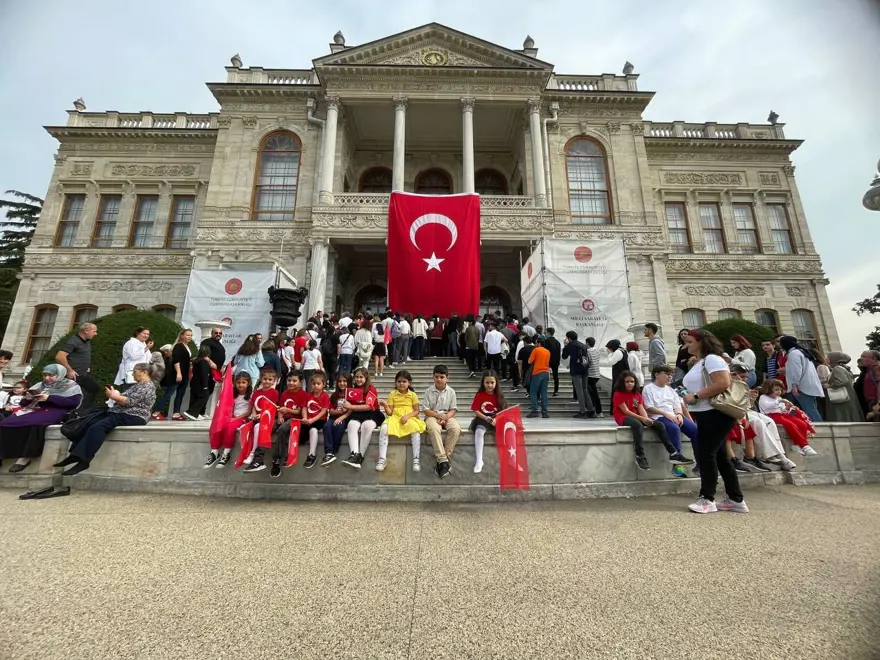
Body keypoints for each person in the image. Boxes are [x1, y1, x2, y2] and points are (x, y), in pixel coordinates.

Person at [680, 329, 747, 514]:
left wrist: (695, 395)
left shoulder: (712, 359)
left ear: (702, 341)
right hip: (706, 413)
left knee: (706, 454)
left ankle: (707, 498)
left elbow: (723, 383)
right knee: (719, 456)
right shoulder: (702, 362)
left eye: (690, 341)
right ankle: (736, 499)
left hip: (715, 413)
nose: (687, 345)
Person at [54, 363, 156, 476]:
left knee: (98, 427)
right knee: (89, 422)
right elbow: (125, 399)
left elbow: (129, 402)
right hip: (122, 413)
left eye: (135, 371)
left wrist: (113, 396)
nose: (133, 374)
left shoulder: (146, 386)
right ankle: (75, 455)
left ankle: (84, 460)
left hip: (135, 415)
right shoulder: (138, 385)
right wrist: (115, 394)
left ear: (144, 372)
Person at [0, 364, 83, 472]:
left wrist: (49, 398)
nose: (47, 378)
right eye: (44, 375)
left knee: (36, 423)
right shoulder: (40, 385)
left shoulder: (71, 386)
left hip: (57, 410)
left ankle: (25, 457)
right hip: (35, 409)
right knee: (6, 423)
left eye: (51, 375)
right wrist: (28, 398)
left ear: (59, 374)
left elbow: (73, 403)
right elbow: (23, 403)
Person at [729, 365, 796, 470]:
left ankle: (780, 455)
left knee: (769, 421)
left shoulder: (741, 385)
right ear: (732, 375)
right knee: (757, 422)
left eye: (745, 377)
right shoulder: (727, 384)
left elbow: (747, 405)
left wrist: (750, 399)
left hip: (744, 410)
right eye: (742, 377)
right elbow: (730, 404)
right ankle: (771, 456)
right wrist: (746, 397)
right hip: (735, 412)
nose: (744, 379)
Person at [612, 370, 679, 472]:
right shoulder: (618, 394)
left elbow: (641, 408)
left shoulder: (637, 394)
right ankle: (640, 455)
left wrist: (647, 419)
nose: (630, 384)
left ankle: (674, 453)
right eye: (627, 382)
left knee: (659, 425)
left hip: (637, 416)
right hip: (623, 417)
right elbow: (626, 411)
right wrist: (643, 419)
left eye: (632, 381)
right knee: (637, 425)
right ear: (622, 382)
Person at [641, 364, 697, 465]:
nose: (670, 377)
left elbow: (677, 405)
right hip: (659, 416)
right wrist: (667, 414)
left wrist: (679, 414)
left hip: (674, 416)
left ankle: (699, 458)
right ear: (657, 375)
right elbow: (649, 407)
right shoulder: (648, 388)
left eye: (671, 374)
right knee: (674, 428)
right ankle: (676, 456)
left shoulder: (671, 390)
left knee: (695, 430)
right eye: (667, 374)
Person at [374, 370, 426, 472]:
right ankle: (382, 459)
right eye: (399, 381)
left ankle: (416, 459)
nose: (401, 384)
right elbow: (389, 413)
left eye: (404, 381)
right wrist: (385, 406)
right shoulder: (392, 394)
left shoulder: (412, 395)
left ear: (409, 383)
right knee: (384, 428)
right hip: (395, 417)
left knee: (415, 430)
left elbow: (416, 411)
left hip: (409, 417)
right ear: (395, 382)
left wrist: (407, 416)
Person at [203, 372, 253, 469]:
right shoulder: (233, 394)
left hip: (243, 418)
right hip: (233, 416)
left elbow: (248, 412)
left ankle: (226, 453)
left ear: (248, 383)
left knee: (230, 427)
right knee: (218, 425)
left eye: (243, 382)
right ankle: (214, 452)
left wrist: (235, 418)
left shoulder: (251, 395)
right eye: (238, 382)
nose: (241, 385)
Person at [758, 378, 818, 456]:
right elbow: (767, 406)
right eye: (776, 390)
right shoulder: (763, 397)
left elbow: (782, 409)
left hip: (781, 415)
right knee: (790, 425)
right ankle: (804, 445)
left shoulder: (779, 398)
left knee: (802, 424)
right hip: (770, 416)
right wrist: (780, 401)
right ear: (768, 389)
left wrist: (787, 408)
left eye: (780, 390)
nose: (779, 392)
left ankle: (797, 444)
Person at [340, 367, 385, 469]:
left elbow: (369, 406)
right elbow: (349, 405)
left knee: (367, 425)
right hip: (357, 414)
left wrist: (350, 406)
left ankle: (360, 456)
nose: (358, 379)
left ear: (366, 378)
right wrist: (345, 407)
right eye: (356, 377)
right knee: (352, 424)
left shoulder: (371, 389)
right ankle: (354, 454)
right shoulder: (352, 389)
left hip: (372, 413)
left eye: (361, 377)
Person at [267, 371, 310, 477]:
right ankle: (257, 457)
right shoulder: (284, 394)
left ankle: (276, 460)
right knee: (266, 427)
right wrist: (280, 417)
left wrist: (288, 410)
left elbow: (299, 412)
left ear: (300, 383)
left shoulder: (303, 394)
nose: (291, 383)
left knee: (282, 429)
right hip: (284, 418)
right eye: (289, 380)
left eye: (294, 381)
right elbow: (280, 409)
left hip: (295, 419)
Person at [423, 364, 460, 479]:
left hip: (447, 416)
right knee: (433, 429)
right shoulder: (428, 391)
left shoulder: (451, 392)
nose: (439, 379)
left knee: (455, 429)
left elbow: (453, 409)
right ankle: (444, 460)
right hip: (432, 415)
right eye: (437, 376)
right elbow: (426, 410)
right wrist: (437, 415)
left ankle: (443, 459)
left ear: (447, 378)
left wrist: (445, 417)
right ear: (433, 377)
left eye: (442, 377)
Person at [243, 369, 282, 472]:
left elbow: (272, 407)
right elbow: (255, 405)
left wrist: (262, 415)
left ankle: (253, 454)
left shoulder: (274, 392)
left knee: (257, 427)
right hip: (257, 418)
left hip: (269, 419)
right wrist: (255, 414)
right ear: (261, 379)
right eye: (265, 379)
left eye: (270, 380)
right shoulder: (257, 393)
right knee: (244, 428)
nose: (267, 381)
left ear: (274, 381)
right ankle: (245, 454)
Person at [778, 335, 823, 422]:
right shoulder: (801, 352)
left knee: (810, 410)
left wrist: (794, 384)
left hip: (802, 386)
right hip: (810, 385)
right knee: (811, 408)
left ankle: (820, 429)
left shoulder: (793, 354)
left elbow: (796, 370)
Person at [55, 322, 99, 411]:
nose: (95, 334)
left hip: (82, 374)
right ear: (86, 331)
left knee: (87, 391)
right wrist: (69, 370)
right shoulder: (73, 341)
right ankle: (78, 412)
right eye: (94, 331)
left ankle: (81, 412)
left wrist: (87, 366)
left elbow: (82, 356)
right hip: (74, 376)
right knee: (93, 387)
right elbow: (59, 357)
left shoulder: (86, 342)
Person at [470, 370, 506, 474]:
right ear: (483, 383)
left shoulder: (499, 396)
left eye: (492, 383)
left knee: (507, 430)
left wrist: (496, 419)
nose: (489, 385)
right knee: (479, 432)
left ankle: (510, 458)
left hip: (496, 418)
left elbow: (503, 412)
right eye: (487, 383)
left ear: (496, 383)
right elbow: (476, 410)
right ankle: (479, 460)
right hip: (483, 418)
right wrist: (486, 418)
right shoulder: (480, 395)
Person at [300, 372, 330, 469]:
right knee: (301, 435)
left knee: (313, 429)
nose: (316, 386)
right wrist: (304, 417)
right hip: (308, 420)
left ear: (323, 384)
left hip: (320, 420)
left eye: (318, 384)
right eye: (314, 384)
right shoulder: (308, 395)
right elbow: (304, 408)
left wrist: (312, 420)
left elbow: (323, 411)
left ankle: (312, 455)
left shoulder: (325, 396)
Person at [824, 352, 865, 422]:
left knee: (843, 415)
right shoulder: (842, 368)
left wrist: (829, 385)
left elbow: (842, 381)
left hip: (842, 398)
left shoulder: (837, 368)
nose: (825, 359)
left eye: (827, 357)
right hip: (847, 396)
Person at [322, 373, 352, 466]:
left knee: (338, 426)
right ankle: (329, 452)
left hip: (346, 417)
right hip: (334, 416)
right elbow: (330, 410)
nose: (342, 383)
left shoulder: (352, 393)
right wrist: (338, 412)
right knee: (326, 426)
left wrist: (342, 416)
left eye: (344, 381)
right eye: (339, 381)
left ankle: (334, 451)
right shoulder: (335, 395)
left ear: (349, 382)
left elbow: (352, 409)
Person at [562, 331, 594, 419]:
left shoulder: (570, 345)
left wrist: (565, 345)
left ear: (569, 338)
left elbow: (564, 356)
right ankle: (591, 410)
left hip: (576, 370)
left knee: (579, 392)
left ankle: (582, 412)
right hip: (585, 370)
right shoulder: (582, 345)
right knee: (585, 390)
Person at [114, 326, 152, 391]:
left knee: (136, 396)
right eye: (144, 333)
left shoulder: (144, 344)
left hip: (141, 374)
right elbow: (133, 356)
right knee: (130, 395)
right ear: (137, 333)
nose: (146, 335)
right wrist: (146, 348)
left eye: (148, 334)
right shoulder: (131, 343)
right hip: (131, 373)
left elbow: (148, 357)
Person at [168, 329, 193, 421]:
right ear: (182, 336)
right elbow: (176, 360)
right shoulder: (179, 346)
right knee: (169, 393)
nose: (189, 337)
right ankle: (157, 411)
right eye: (187, 335)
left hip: (185, 373)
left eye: (191, 335)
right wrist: (178, 372)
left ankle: (176, 413)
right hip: (178, 373)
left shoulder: (186, 346)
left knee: (180, 394)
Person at [183, 345, 213, 421]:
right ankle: (191, 412)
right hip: (200, 383)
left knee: (194, 397)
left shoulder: (196, 361)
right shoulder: (203, 362)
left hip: (194, 382)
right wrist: (205, 386)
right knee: (204, 397)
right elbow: (204, 375)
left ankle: (196, 413)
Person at [527, 337, 551, 419]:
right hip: (546, 373)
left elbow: (529, 361)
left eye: (536, 343)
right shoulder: (548, 351)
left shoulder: (536, 350)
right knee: (544, 393)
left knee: (533, 392)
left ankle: (534, 411)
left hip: (537, 372)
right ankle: (544, 412)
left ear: (538, 343)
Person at [200, 327, 227, 400]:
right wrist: (210, 362)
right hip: (207, 369)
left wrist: (221, 367)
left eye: (220, 333)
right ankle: (197, 410)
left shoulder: (219, 344)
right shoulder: (207, 341)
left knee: (210, 390)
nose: (218, 334)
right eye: (216, 333)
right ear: (212, 333)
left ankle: (202, 410)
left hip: (216, 371)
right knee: (204, 391)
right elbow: (203, 354)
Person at [543, 328, 562, 397]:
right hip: (556, 361)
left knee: (544, 376)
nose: (545, 334)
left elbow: (544, 352)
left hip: (547, 361)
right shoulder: (557, 342)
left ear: (549, 333)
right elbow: (559, 353)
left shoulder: (545, 341)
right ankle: (556, 391)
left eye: (546, 332)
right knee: (555, 376)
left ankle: (543, 390)